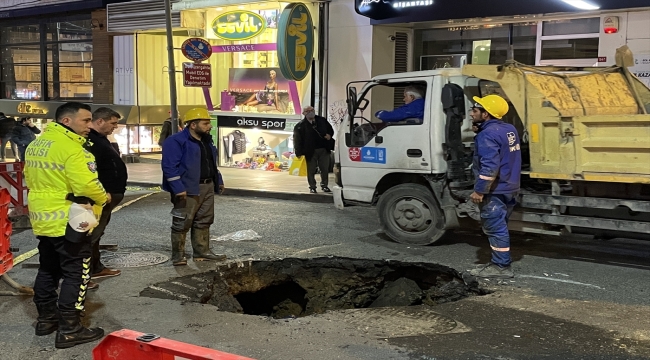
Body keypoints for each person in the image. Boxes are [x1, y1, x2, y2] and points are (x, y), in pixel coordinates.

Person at [24, 102, 109, 348]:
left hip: (43, 218)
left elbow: (30, 178)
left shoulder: (36, 145)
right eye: (85, 121)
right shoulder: (73, 149)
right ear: (67, 121)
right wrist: (104, 198)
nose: (89, 126)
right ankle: (71, 328)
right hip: (71, 219)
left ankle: (46, 320)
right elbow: (87, 186)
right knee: (77, 272)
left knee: (48, 269)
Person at [161, 108, 226, 266]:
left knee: (204, 220)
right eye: (205, 123)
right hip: (187, 187)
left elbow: (211, 163)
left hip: (207, 185)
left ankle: (202, 252)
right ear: (193, 125)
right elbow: (169, 166)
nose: (209, 126)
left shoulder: (206, 141)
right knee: (182, 222)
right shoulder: (176, 141)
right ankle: (178, 256)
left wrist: (218, 180)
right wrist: (178, 187)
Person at [467, 95, 522, 279]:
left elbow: (490, 166)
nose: (471, 114)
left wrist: (479, 190)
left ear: (486, 114)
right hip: (511, 186)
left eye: (475, 111)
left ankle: (501, 267)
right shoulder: (509, 129)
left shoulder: (487, 134)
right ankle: (500, 262)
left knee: (495, 227)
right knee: (501, 225)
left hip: (495, 190)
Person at [87, 107, 128, 280]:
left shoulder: (101, 139)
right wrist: (102, 194)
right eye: (113, 123)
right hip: (100, 197)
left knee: (96, 234)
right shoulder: (89, 141)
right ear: (100, 121)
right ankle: (83, 274)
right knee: (91, 235)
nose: (115, 127)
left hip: (108, 195)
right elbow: (88, 172)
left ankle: (95, 268)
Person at [293, 106, 335, 194]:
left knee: (324, 168)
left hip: (324, 148)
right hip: (310, 151)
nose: (310, 112)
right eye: (307, 111)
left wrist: (329, 135)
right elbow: (297, 140)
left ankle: (324, 185)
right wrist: (298, 152)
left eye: (311, 110)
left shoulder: (322, 120)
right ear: (304, 113)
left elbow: (330, 129)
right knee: (311, 170)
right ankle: (312, 186)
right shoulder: (300, 126)